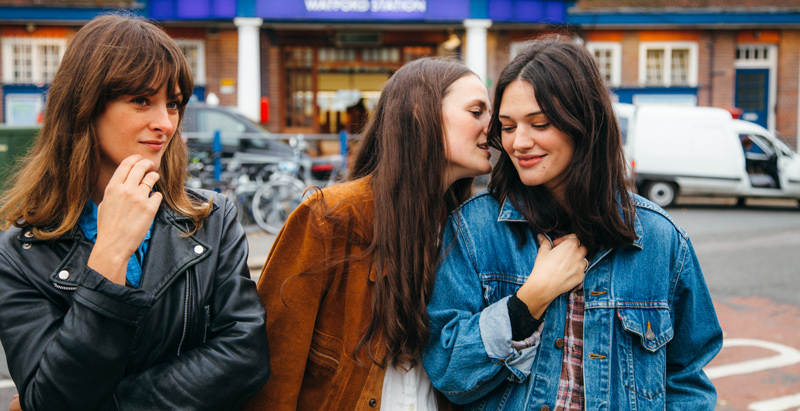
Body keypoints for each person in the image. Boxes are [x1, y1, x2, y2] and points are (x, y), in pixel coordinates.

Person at [422, 38, 723, 410]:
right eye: (508, 126)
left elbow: (687, 381)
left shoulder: (659, 238)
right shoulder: (475, 230)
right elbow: (447, 370)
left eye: (540, 123)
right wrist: (525, 305)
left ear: (584, 122)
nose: (519, 142)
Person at [0, 14, 269, 411]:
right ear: (85, 105)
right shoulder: (20, 252)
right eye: (142, 100)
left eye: (173, 104)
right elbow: (54, 399)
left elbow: (245, 355)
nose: (164, 123)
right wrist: (108, 257)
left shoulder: (211, 217)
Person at [241, 57, 493, 411]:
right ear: (423, 114)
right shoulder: (331, 218)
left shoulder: (469, 229)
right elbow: (273, 366)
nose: (492, 127)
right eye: (476, 111)